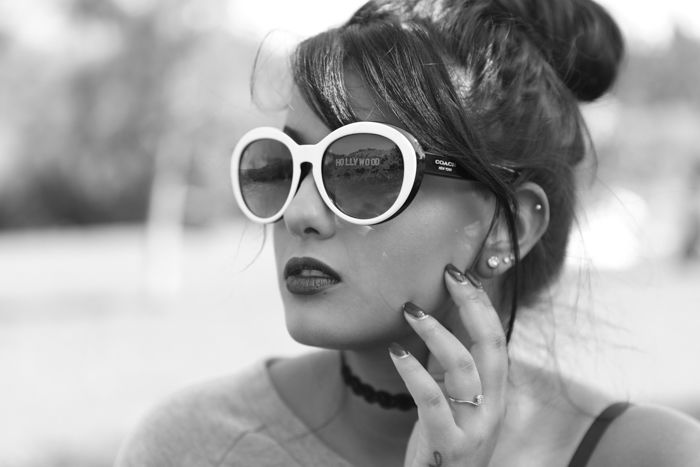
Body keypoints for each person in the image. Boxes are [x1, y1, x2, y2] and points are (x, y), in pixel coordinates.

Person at [116, 0, 700, 465]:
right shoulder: (190, 445)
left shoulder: (647, 455)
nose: (299, 213)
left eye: (365, 167)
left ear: (507, 226)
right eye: (280, 164)